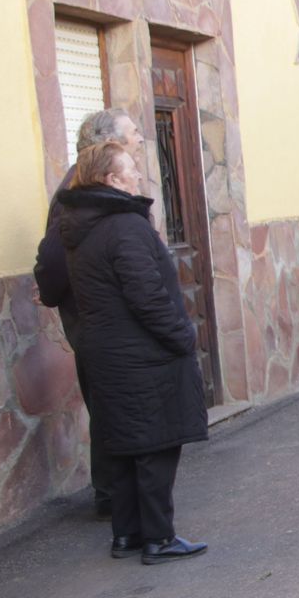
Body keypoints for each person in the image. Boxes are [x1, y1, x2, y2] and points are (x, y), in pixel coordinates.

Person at [57, 141, 210, 563]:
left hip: (106, 353)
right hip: (143, 356)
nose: (138, 177)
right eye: (131, 171)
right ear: (111, 180)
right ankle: (159, 538)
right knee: (156, 446)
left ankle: (126, 535)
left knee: (123, 445)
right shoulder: (125, 226)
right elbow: (146, 296)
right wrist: (182, 337)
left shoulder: (81, 226)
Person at [33, 109, 145, 519]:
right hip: (96, 317)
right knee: (110, 401)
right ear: (108, 143)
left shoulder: (86, 183)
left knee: (111, 401)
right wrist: (50, 292)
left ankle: (117, 494)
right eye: (132, 134)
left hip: (96, 315)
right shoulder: (78, 188)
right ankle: (113, 497)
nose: (139, 140)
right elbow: (54, 257)